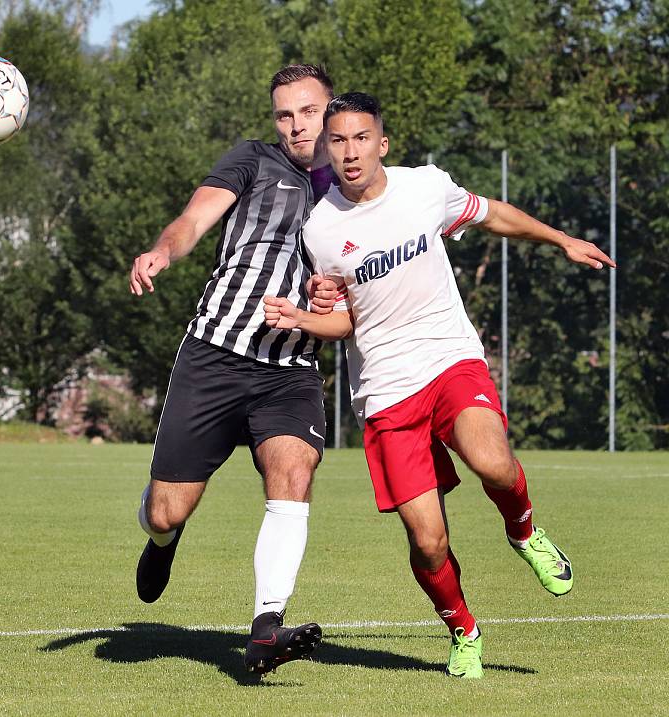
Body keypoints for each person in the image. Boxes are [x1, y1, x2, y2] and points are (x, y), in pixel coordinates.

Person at [264, 92, 616, 679]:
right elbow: (346, 316)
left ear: (383, 143)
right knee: (427, 541)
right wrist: (304, 318)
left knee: (493, 463)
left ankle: (525, 530)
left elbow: (493, 214)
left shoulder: (425, 186)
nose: (349, 153)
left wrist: (561, 240)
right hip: (383, 389)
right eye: (338, 141)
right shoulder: (320, 228)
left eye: (360, 139)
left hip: (450, 359)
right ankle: (463, 630)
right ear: (327, 147)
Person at [129, 64, 339, 675]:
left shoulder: (351, 192)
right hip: (214, 357)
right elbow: (195, 219)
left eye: (309, 111)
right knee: (167, 509)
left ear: (332, 112)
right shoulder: (251, 160)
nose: (298, 126)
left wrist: (325, 303)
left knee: (293, 473)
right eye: (285, 115)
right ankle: (162, 539)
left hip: (289, 371)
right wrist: (163, 249)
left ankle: (266, 628)